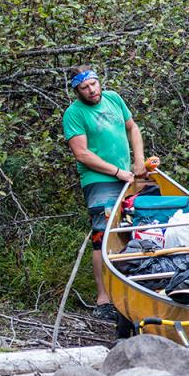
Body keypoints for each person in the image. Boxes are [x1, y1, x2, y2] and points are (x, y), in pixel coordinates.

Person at [62, 64, 145, 334]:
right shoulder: (74, 114)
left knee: (134, 229)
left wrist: (139, 160)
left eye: (94, 84)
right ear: (77, 90)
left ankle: (135, 290)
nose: (92, 90)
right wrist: (117, 171)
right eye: (85, 88)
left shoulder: (114, 98)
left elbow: (133, 128)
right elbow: (82, 153)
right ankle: (104, 299)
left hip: (127, 177)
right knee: (102, 234)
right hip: (99, 180)